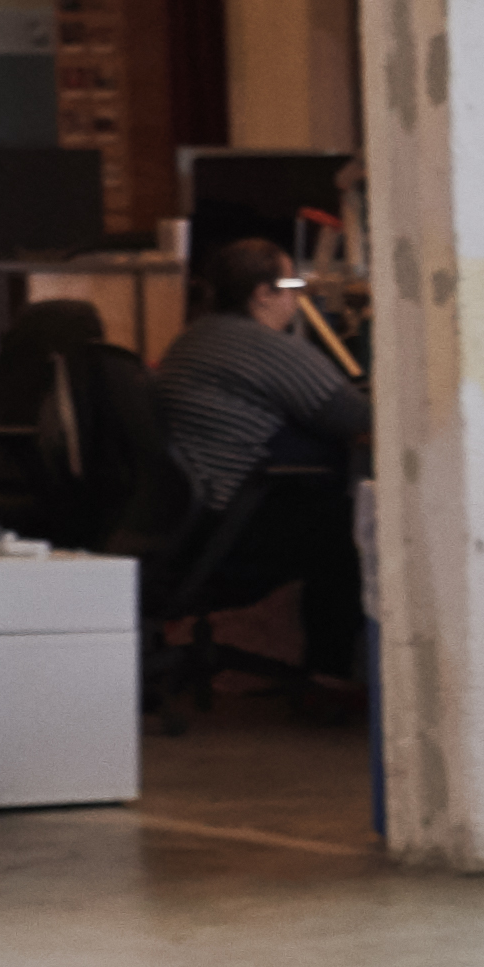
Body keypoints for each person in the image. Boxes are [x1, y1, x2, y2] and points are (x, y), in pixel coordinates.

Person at [145, 229, 370, 710]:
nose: (298, 300)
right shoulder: (266, 348)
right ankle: (331, 677)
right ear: (262, 294)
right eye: (292, 288)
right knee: (348, 533)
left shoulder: (195, 338)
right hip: (235, 528)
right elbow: (361, 421)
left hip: (193, 523)